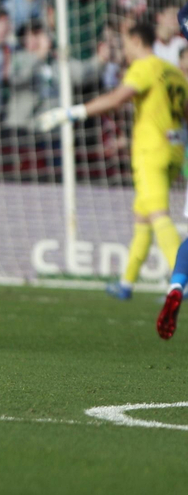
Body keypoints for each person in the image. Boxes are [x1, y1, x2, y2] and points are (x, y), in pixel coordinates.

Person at [38, 16, 186, 311]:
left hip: (150, 149)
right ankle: (126, 283)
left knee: (158, 214)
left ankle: (181, 283)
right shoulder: (174, 72)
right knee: (142, 217)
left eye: (125, 44)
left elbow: (119, 97)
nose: (124, 51)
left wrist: (72, 113)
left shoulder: (145, 67)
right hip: (174, 149)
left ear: (136, 41)